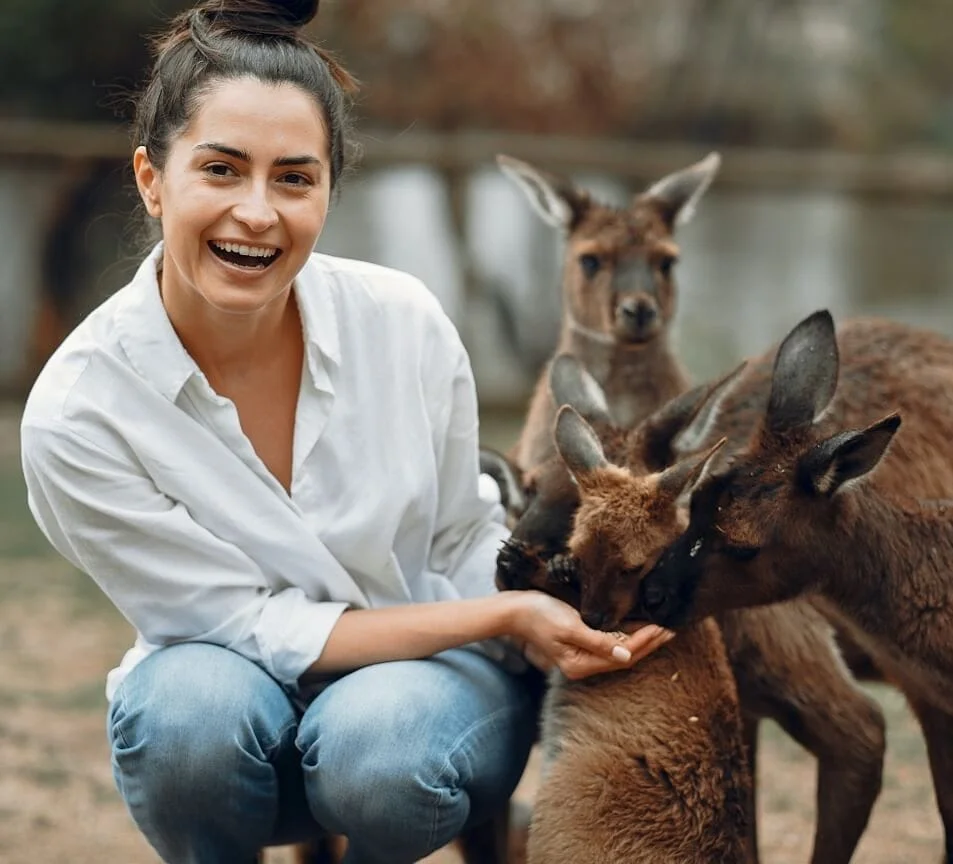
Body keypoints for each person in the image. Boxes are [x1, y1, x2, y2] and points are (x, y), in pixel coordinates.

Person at [18, 2, 675, 862]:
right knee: (180, 718)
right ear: (151, 179)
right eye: (221, 170)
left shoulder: (403, 322)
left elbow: (458, 532)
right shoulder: (80, 411)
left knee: (380, 748)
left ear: (329, 188)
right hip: (233, 710)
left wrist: (565, 607)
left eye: (294, 178)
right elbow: (242, 625)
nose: (257, 212)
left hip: (422, 705)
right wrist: (509, 612)